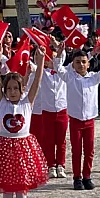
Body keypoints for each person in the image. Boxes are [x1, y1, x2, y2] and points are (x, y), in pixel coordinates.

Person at [0, 45, 48, 198]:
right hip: (4, 148)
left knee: (21, 188)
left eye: (16, 88)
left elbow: (37, 80)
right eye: (9, 89)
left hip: (22, 148)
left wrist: (41, 60)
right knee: (7, 188)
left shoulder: (27, 103)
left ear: (22, 89)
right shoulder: (2, 102)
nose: (12, 92)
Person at [57, 45, 100, 190]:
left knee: (89, 150)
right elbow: (58, 68)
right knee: (76, 150)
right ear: (73, 64)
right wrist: (60, 53)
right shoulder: (69, 77)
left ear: (88, 64)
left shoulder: (93, 78)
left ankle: (87, 176)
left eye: (84, 62)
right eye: (78, 62)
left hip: (90, 120)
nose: (81, 65)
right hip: (75, 120)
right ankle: (77, 177)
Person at [39, 41, 69, 179]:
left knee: (61, 140)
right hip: (47, 111)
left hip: (62, 110)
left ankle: (61, 164)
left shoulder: (64, 72)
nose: (53, 61)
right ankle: (50, 164)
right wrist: (40, 53)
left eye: (55, 58)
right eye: (51, 58)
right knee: (49, 139)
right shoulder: (43, 73)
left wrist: (60, 48)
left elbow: (63, 57)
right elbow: (35, 64)